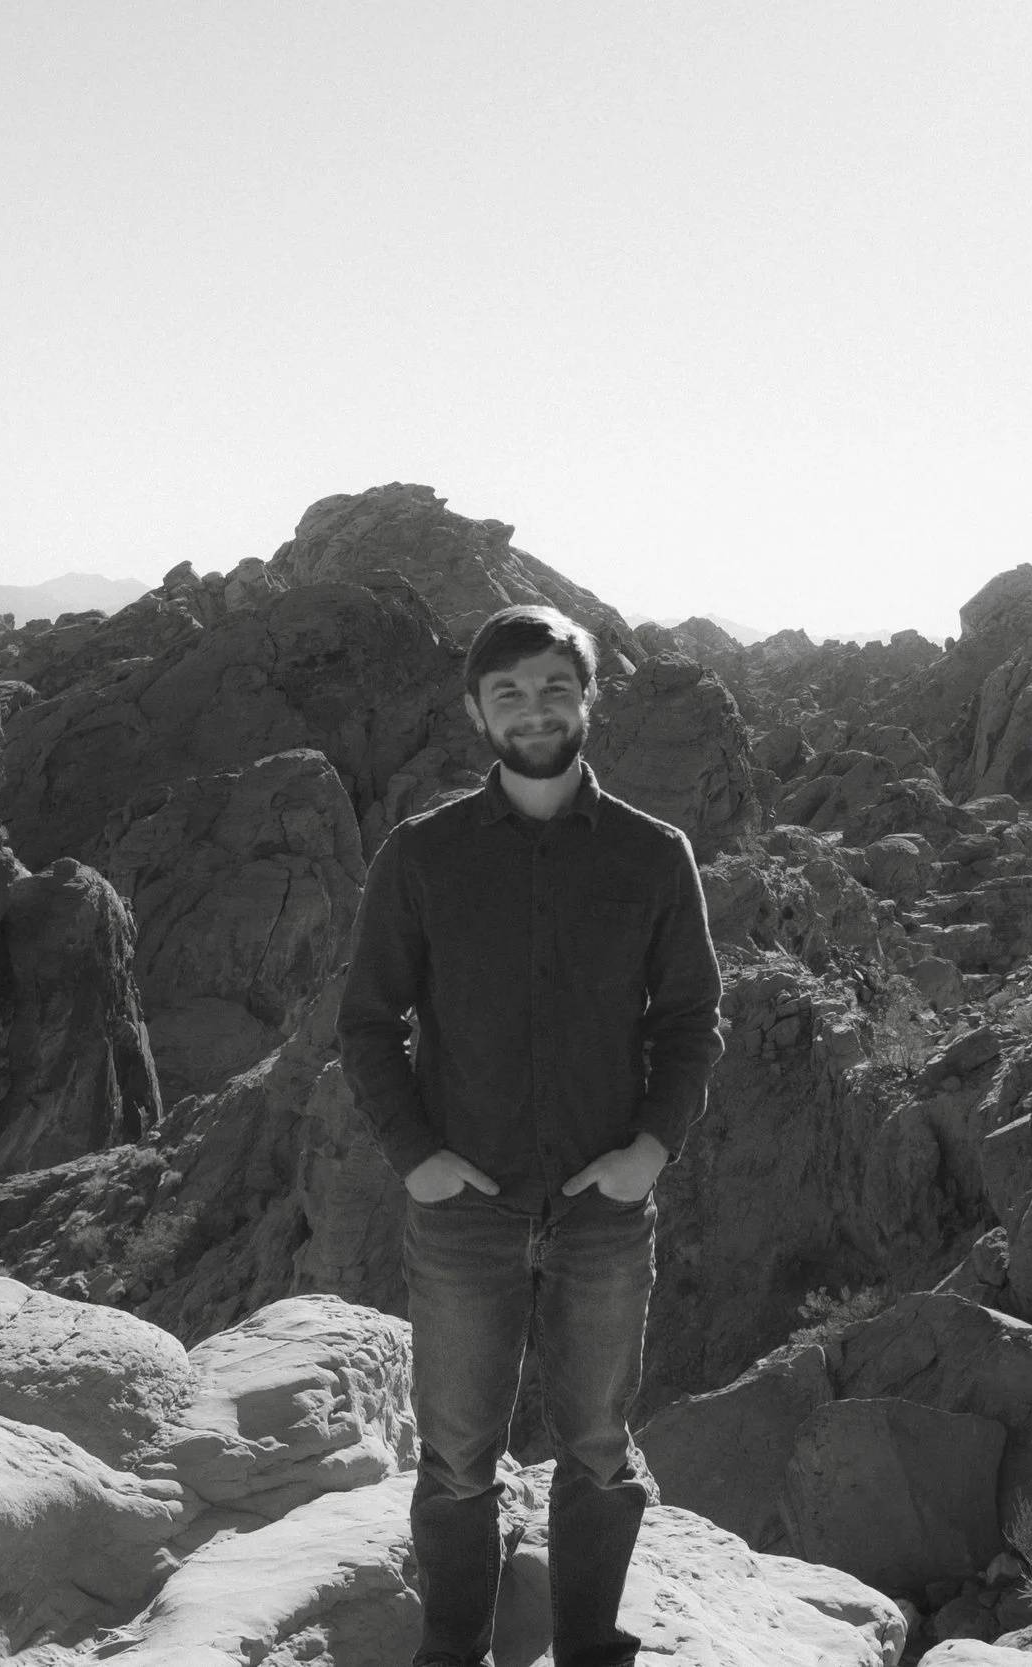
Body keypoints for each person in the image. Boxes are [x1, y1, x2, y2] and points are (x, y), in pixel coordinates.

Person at [339, 604, 725, 1667]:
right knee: (458, 1453)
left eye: (556, 685)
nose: (534, 709)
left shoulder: (654, 856)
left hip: (604, 1204)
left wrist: (651, 1146)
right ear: (476, 711)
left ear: (588, 697)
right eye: (508, 691)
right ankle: (451, 1647)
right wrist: (415, 1156)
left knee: (596, 1445)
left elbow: (689, 1017)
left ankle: (588, 1647)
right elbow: (368, 1021)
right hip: (466, 1205)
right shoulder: (422, 857)